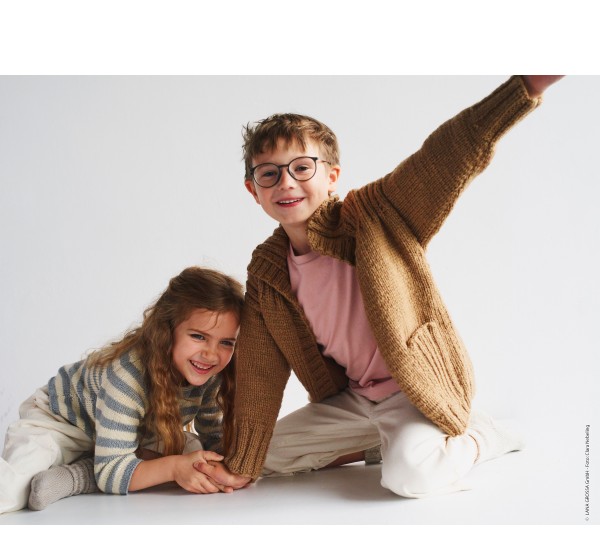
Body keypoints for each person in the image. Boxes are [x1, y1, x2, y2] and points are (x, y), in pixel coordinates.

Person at [196, 75, 564, 498]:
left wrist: (525, 86)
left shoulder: (376, 214)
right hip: (355, 401)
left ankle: (482, 437)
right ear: (253, 190)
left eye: (302, 167)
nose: (286, 182)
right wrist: (242, 466)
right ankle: (381, 444)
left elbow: (446, 155)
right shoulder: (267, 271)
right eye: (269, 174)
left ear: (332, 176)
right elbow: (259, 373)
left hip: (415, 392)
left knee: (410, 478)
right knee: (260, 457)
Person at [0, 266, 244, 514]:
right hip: (61, 423)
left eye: (226, 342)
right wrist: (173, 468)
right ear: (168, 330)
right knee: (10, 490)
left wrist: (228, 468)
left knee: (196, 457)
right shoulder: (128, 375)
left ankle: (80, 472)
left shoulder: (209, 374)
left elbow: (213, 437)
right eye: (199, 337)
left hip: (130, 435)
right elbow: (119, 472)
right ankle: (99, 465)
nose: (211, 354)